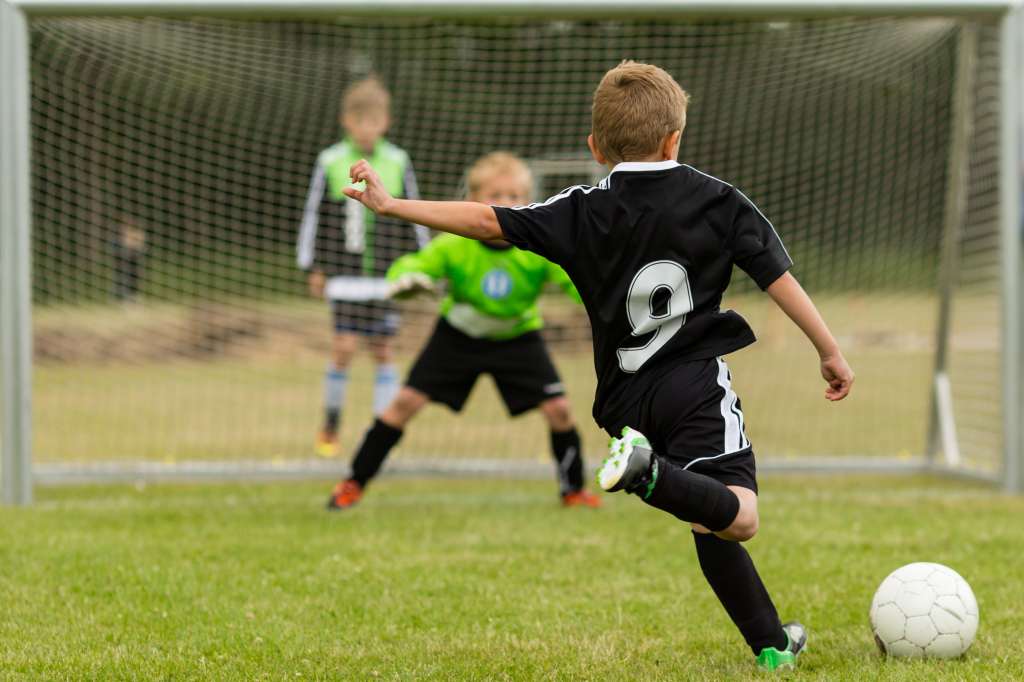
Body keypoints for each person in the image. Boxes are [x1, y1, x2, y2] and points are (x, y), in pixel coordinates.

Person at [340, 61, 855, 672]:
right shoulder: (718, 200)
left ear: (595, 147)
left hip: (623, 401)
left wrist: (392, 205)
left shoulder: (581, 209)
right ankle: (647, 474)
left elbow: (485, 220)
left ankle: (771, 646)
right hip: (692, 385)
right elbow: (777, 279)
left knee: (704, 516)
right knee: (738, 515)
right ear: (675, 138)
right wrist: (828, 349)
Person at [326, 152, 600, 511]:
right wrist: (405, 281)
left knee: (560, 410)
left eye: (515, 196)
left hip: (517, 338)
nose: (506, 204)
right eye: (496, 195)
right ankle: (353, 483)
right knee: (403, 404)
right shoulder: (455, 243)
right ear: (474, 200)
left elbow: (577, 282)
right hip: (457, 336)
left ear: (528, 199)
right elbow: (410, 267)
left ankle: (573, 491)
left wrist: (601, 297)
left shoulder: (538, 247)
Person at [296, 76, 428, 458]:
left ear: (385, 121)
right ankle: (331, 424)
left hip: (385, 278)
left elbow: (414, 212)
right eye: (360, 120)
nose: (367, 128)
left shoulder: (398, 161)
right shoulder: (330, 161)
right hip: (344, 277)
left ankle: (379, 431)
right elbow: (314, 214)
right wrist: (313, 267)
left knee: (384, 350)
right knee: (344, 347)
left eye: (375, 120)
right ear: (347, 122)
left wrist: (419, 265)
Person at [112, 215, 145, 302]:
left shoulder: (137, 232)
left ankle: (133, 297)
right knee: (122, 278)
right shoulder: (119, 233)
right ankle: (121, 298)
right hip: (122, 259)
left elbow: (139, 245)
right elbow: (122, 245)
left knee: (134, 278)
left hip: (134, 259)